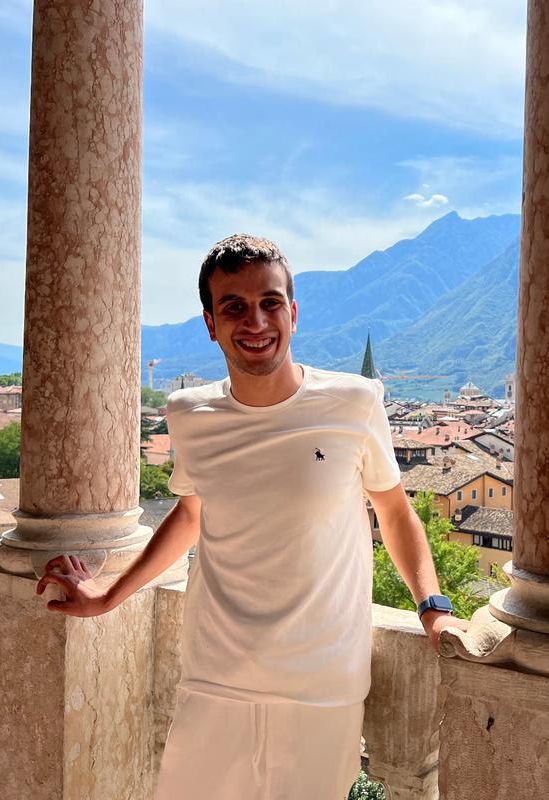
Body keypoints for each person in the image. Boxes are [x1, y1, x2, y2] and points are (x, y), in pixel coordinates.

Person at [34, 234, 468, 799]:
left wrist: (433, 608)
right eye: (233, 306)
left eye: (269, 302)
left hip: (321, 684)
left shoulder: (354, 402)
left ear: (293, 312)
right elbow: (190, 514)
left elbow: (393, 509)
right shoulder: (189, 413)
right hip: (216, 675)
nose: (255, 321)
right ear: (211, 324)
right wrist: (109, 595)